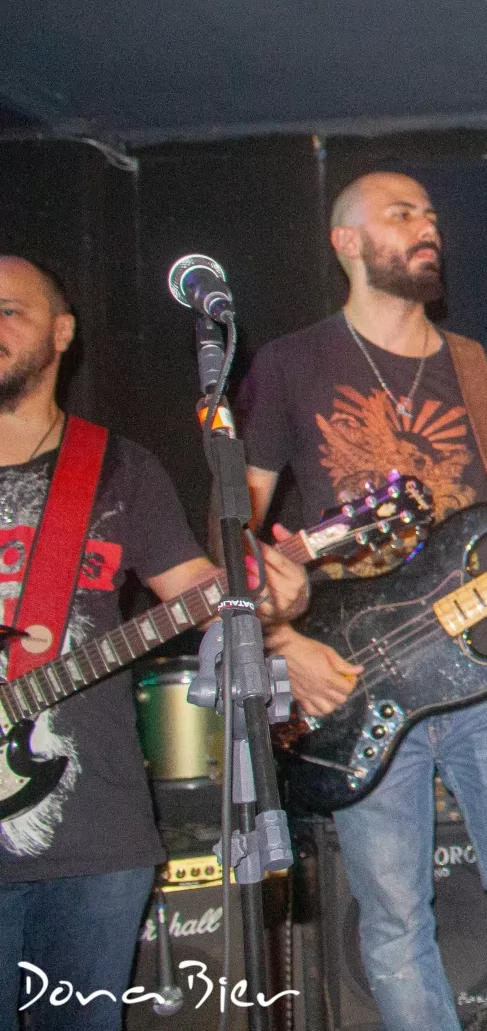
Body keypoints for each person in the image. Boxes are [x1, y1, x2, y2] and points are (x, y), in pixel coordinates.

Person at [236, 173, 487, 1031]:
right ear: (347, 242)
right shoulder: (288, 365)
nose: (428, 226)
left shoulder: (485, 373)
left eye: (430, 214)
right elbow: (233, 537)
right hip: (354, 676)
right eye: (402, 214)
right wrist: (282, 645)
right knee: (393, 923)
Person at [0, 255, 305, 1031]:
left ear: (62, 333)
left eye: (9, 311)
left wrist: (269, 595)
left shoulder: (116, 469)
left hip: (94, 835)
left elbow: (202, 596)